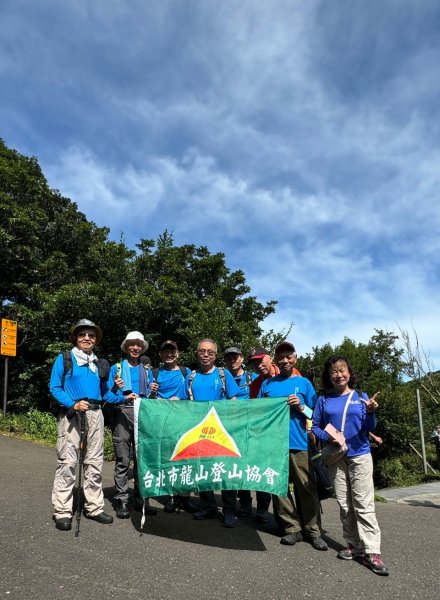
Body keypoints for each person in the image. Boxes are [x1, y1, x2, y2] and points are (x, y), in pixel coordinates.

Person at [312, 355, 389, 576]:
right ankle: (354, 545)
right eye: (334, 371)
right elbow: (315, 426)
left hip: (360, 455)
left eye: (342, 370)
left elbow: (369, 426)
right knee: (345, 505)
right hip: (336, 456)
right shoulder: (323, 399)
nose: (339, 374)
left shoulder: (360, 397)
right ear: (329, 376)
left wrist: (372, 412)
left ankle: (372, 551)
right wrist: (329, 437)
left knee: (363, 504)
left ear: (349, 373)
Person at [258, 340, 327, 551]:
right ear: (276, 360)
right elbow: (260, 412)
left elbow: (316, 415)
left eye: (289, 356)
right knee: (279, 488)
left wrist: (301, 406)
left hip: (299, 443)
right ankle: (291, 529)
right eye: (281, 357)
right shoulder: (267, 385)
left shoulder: (304, 383)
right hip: (274, 445)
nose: (285, 360)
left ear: (295, 358)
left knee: (306, 487)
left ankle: (313, 531)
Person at [49, 319, 114, 531]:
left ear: (96, 340)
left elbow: (105, 393)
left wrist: (124, 396)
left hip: (96, 414)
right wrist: (72, 404)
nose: (87, 338)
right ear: (75, 337)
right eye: (82, 334)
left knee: (94, 462)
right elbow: (55, 387)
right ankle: (63, 511)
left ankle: (93, 507)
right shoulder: (65, 358)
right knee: (68, 462)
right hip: (72, 414)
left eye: (91, 335)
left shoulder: (99, 363)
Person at [178, 338, 240, 527]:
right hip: (199, 433)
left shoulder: (223, 375)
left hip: (220, 433)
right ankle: (209, 507)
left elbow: (234, 400)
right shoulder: (191, 377)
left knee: (226, 473)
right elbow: (181, 401)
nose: (206, 355)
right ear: (197, 353)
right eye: (202, 351)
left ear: (215, 355)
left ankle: (229, 511)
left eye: (210, 352)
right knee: (203, 471)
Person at [105, 331, 157, 519]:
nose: (135, 347)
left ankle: (142, 500)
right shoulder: (116, 368)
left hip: (141, 413)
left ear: (142, 348)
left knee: (141, 461)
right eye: (132, 344)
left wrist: (152, 392)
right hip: (122, 412)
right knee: (123, 461)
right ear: (126, 347)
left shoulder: (147, 370)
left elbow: (151, 399)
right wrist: (120, 393)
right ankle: (122, 500)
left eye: (138, 344)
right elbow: (107, 396)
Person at [149, 340, 198, 514]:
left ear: (177, 354)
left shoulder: (187, 372)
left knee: (186, 459)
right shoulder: (154, 373)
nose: (169, 354)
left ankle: (184, 498)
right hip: (164, 423)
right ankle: (170, 497)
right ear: (161, 355)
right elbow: (149, 399)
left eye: (172, 351)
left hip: (184, 422)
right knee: (169, 459)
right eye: (165, 352)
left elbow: (193, 394)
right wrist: (153, 393)